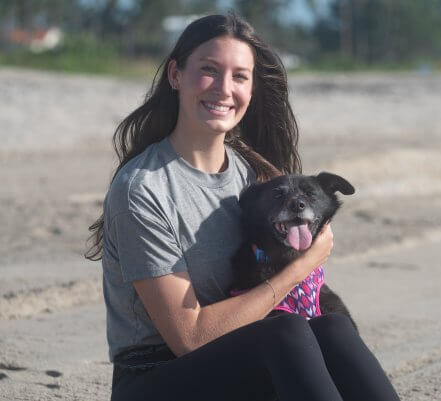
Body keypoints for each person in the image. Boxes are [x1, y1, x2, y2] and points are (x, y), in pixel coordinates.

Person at [86, 13, 400, 401]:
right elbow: (190, 337)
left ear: (251, 88)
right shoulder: (143, 189)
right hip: (156, 377)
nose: (223, 88)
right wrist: (304, 263)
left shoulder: (256, 177)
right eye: (208, 70)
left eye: (239, 76)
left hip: (237, 357)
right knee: (284, 332)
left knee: (332, 326)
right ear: (175, 75)